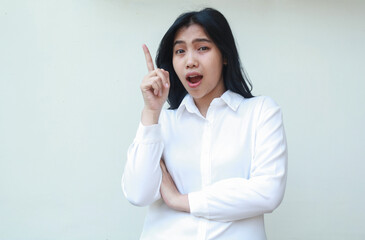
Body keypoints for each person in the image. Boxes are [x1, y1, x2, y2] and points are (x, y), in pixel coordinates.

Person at [122, 8, 287, 240]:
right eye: (180, 51)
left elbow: (267, 192)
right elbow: (138, 194)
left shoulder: (260, 112)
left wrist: (180, 200)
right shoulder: (162, 122)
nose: (190, 61)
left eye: (202, 48)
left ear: (225, 55)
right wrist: (151, 112)